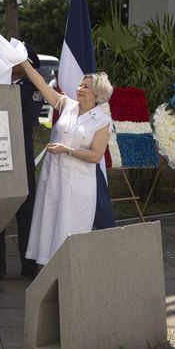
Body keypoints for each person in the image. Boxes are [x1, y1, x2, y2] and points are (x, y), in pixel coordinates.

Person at [22, 61, 113, 266]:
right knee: (48, 223)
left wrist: (66, 150)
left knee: (70, 227)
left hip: (79, 185)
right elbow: (43, 87)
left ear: (97, 94)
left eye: (86, 86)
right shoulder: (67, 106)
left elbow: (96, 156)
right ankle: (45, 269)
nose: (79, 89)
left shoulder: (102, 120)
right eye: (80, 85)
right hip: (53, 178)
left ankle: (71, 270)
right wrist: (25, 65)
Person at [0, 44, 43, 279]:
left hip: (20, 156)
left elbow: (27, 119)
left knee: (26, 212)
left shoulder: (32, 88)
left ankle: (28, 265)